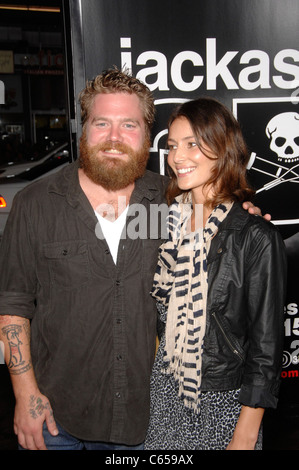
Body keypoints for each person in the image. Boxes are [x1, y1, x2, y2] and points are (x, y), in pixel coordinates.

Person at [0, 68, 267, 451]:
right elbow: (13, 302)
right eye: (101, 123)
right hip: (56, 417)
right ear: (83, 129)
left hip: (145, 424)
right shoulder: (36, 204)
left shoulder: (170, 200)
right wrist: (26, 396)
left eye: (128, 124)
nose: (113, 138)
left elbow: (224, 222)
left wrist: (246, 218)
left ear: (146, 134)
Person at [144, 97, 287, 451]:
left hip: (222, 404)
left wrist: (246, 435)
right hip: (163, 394)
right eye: (173, 146)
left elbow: (266, 349)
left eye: (192, 144)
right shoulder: (162, 223)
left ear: (223, 148)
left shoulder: (255, 237)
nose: (177, 157)